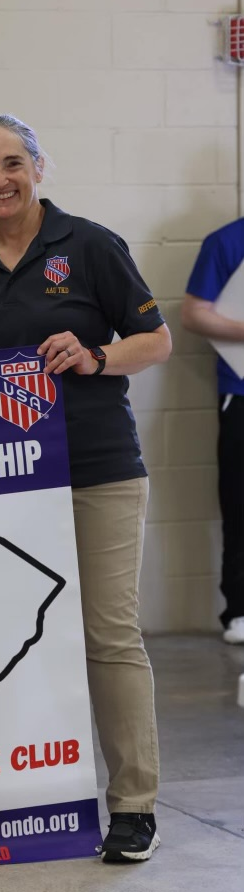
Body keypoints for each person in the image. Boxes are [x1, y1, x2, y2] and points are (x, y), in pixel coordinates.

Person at [0, 115, 172, 863]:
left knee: (107, 637)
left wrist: (95, 353)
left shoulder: (90, 245)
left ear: (38, 167)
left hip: (97, 471)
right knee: (16, 644)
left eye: (12, 162)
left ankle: (133, 805)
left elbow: (156, 340)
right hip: (8, 491)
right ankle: (35, 798)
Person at [181, 220, 244, 645]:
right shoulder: (225, 241)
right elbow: (194, 312)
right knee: (240, 502)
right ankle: (239, 610)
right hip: (240, 390)